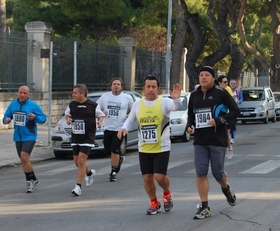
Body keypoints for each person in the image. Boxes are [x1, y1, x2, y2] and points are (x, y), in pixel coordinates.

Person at [117, 75, 182, 215]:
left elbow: (176, 106)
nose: (151, 89)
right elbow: (131, 120)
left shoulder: (164, 102)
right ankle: (154, 202)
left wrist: (176, 98)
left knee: (159, 176)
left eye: (154, 87)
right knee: (147, 178)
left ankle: (167, 194)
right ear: (144, 89)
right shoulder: (138, 104)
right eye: (148, 87)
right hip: (144, 147)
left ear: (158, 89)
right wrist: (124, 128)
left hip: (162, 147)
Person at [186, 66, 240, 220]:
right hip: (200, 141)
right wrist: (189, 126)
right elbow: (191, 115)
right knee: (201, 172)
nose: (203, 78)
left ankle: (226, 187)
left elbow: (235, 111)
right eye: (201, 75)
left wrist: (218, 120)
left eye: (207, 75)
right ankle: (204, 206)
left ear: (213, 78)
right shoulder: (194, 95)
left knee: (217, 173)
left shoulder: (221, 93)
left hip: (218, 140)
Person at [2, 85, 47, 193]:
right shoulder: (13, 105)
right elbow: (5, 117)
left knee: (24, 157)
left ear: (28, 95)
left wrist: (35, 117)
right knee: (24, 160)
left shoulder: (33, 106)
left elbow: (43, 118)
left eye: (24, 93)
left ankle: (29, 182)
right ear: (18, 93)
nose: (22, 95)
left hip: (29, 136)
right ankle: (34, 179)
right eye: (20, 92)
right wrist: (6, 120)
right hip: (18, 136)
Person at [65, 84, 105, 196]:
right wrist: (68, 119)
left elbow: (101, 115)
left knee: (81, 161)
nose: (73, 95)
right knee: (77, 162)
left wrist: (100, 121)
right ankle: (89, 173)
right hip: (76, 136)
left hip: (88, 136)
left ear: (82, 93)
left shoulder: (92, 105)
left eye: (75, 93)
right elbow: (67, 115)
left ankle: (78, 186)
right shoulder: (72, 105)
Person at [97, 77, 134, 182]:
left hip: (120, 128)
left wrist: (129, 115)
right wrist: (100, 113)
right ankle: (119, 159)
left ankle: (113, 172)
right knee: (107, 151)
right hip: (108, 127)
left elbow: (135, 108)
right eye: (114, 84)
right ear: (111, 86)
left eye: (118, 84)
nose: (116, 86)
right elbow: (96, 107)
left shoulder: (127, 98)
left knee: (114, 149)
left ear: (122, 86)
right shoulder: (105, 97)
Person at [217, 75, 234, 159]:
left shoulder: (227, 89)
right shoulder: (215, 91)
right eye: (224, 82)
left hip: (226, 114)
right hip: (217, 115)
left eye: (227, 82)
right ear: (219, 83)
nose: (226, 83)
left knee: (227, 132)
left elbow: (231, 102)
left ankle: (228, 147)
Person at [229, 79, 243, 144]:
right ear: (229, 84)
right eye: (232, 83)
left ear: (236, 84)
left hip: (235, 110)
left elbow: (241, 98)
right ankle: (228, 136)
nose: (233, 84)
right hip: (228, 110)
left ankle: (232, 137)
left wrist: (239, 102)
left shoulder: (238, 91)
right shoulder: (227, 91)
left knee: (233, 124)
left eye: (234, 83)